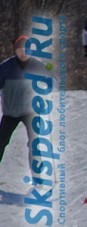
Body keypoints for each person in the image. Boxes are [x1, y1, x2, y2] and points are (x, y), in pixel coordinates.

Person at [0, 36, 47, 167]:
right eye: (20, 50)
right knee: (1, 141)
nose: (23, 53)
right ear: (15, 51)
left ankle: (38, 175)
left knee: (34, 142)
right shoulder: (5, 67)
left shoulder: (38, 65)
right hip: (10, 112)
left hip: (30, 111)